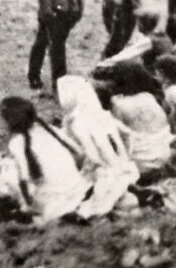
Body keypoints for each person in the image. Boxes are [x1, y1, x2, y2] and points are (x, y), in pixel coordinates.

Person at [0, 96, 93, 224]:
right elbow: (80, 153)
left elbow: (23, 180)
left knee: (7, 169)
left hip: (54, 198)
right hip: (79, 187)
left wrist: (28, 205)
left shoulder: (17, 143)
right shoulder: (50, 129)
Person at [57, 76, 140, 219]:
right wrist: (125, 155)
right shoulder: (102, 114)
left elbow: (92, 155)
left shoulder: (77, 122)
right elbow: (129, 134)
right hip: (123, 167)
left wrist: (87, 169)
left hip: (101, 172)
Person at [108, 61, 173, 186]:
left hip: (141, 163)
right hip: (164, 155)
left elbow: (117, 136)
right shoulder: (148, 96)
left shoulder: (118, 103)